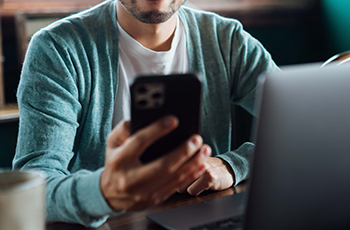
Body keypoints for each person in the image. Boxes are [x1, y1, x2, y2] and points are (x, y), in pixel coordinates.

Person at [13, 0, 279, 227]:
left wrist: (234, 165)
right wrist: (104, 191)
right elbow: (34, 188)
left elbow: (304, 135)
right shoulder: (57, 49)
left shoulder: (227, 40)